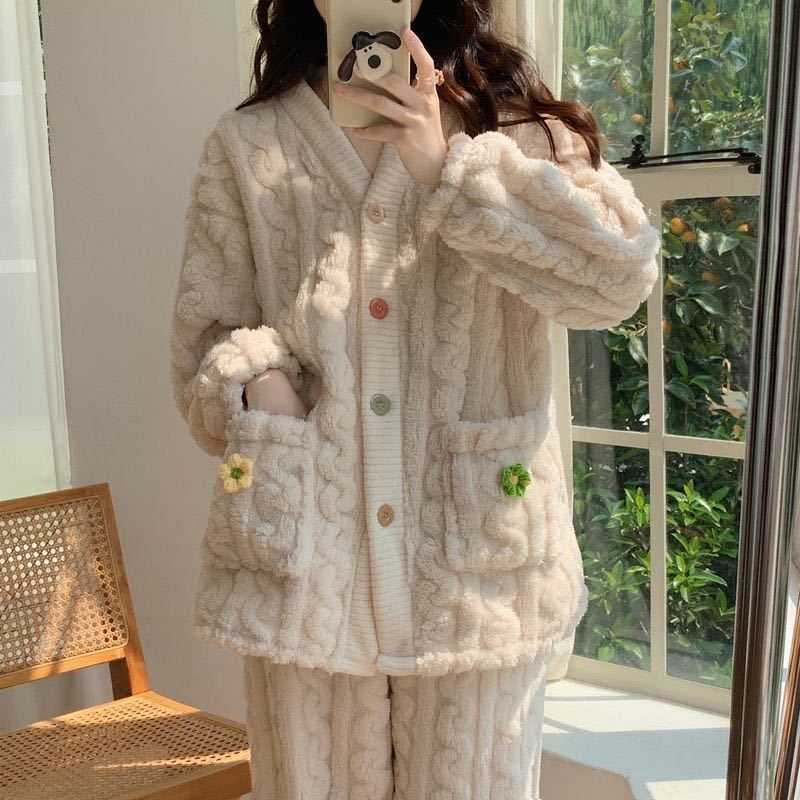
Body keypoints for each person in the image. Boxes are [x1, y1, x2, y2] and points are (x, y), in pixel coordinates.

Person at [168, 0, 661, 797]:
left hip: (479, 566)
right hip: (307, 561)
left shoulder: (514, 124)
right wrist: (260, 385)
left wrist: (451, 169)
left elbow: (617, 278)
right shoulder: (249, 143)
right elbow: (202, 344)